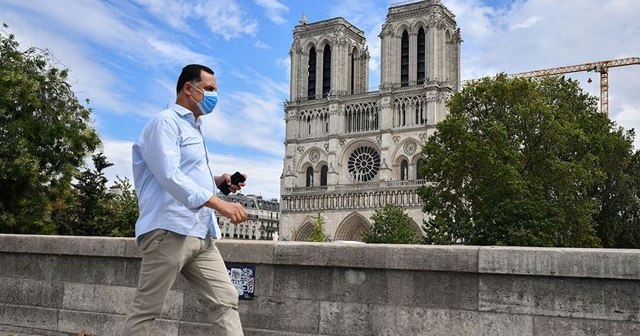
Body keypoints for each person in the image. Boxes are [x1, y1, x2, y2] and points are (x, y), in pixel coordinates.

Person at [122, 64, 247, 336]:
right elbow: (169, 175)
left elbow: (187, 176)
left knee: (226, 300)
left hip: (200, 233)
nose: (215, 96)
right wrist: (220, 204)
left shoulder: (194, 128)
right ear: (189, 89)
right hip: (169, 231)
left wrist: (219, 182)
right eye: (210, 89)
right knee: (147, 310)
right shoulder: (165, 122)